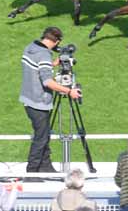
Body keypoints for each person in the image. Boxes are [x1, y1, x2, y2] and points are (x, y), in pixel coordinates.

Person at [19, 27, 82, 173]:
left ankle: (45, 166)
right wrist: (69, 91)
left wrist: (53, 64)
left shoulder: (30, 47)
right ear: (56, 41)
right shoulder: (44, 54)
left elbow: (35, 69)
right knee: (40, 138)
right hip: (38, 103)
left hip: (28, 99)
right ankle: (32, 172)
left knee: (44, 134)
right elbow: (47, 82)